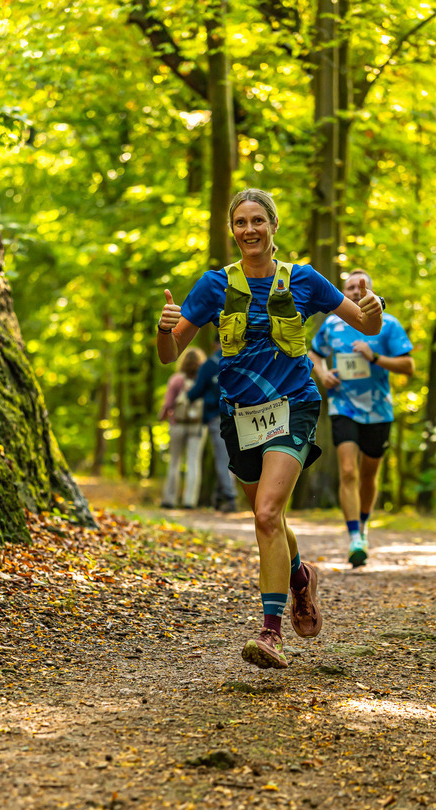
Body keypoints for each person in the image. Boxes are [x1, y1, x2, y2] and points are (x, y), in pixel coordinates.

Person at [156, 188, 383, 669]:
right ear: (232, 231)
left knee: (265, 515)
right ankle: (300, 578)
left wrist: (375, 309)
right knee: (270, 520)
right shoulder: (214, 285)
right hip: (239, 415)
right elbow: (169, 354)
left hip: (293, 405)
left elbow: (363, 325)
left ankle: (270, 632)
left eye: (258, 220)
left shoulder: (304, 280)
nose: (250, 230)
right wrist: (163, 327)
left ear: (273, 226)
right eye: (240, 222)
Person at [309, 268, 414, 567]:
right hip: (343, 406)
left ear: (369, 290)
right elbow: (315, 353)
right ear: (343, 292)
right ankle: (354, 537)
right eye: (350, 287)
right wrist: (323, 373)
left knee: (368, 474)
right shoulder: (331, 324)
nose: (356, 291)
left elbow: (408, 366)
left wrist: (375, 357)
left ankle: (364, 526)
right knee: (348, 472)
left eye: (361, 286)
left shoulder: (389, 325)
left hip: (379, 411)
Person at [186, 335, 238, 513]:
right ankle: (219, 497)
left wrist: (187, 396)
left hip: (218, 416)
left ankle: (230, 498)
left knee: (223, 458)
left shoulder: (209, 365)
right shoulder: (239, 360)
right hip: (242, 415)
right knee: (232, 456)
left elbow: (196, 391)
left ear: (215, 343)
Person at [158, 347, 207, 510]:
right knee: (194, 462)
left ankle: (169, 499)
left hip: (178, 424)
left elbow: (168, 404)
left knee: (174, 462)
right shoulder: (203, 379)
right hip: (197, 425)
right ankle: (189, 501)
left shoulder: (177, 379)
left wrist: (162, 416)